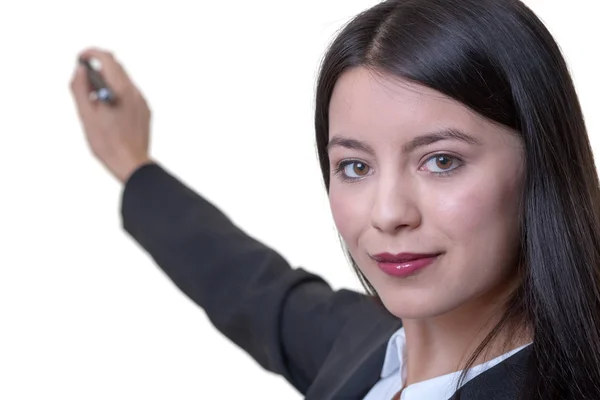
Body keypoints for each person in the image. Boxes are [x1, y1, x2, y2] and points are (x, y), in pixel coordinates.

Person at [69, 0, 600, 398]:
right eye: (355, 166)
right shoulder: (368, 347)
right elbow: (248, 285)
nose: (388, 213)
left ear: (541, 161)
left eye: (441, 160)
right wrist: (132, 162)